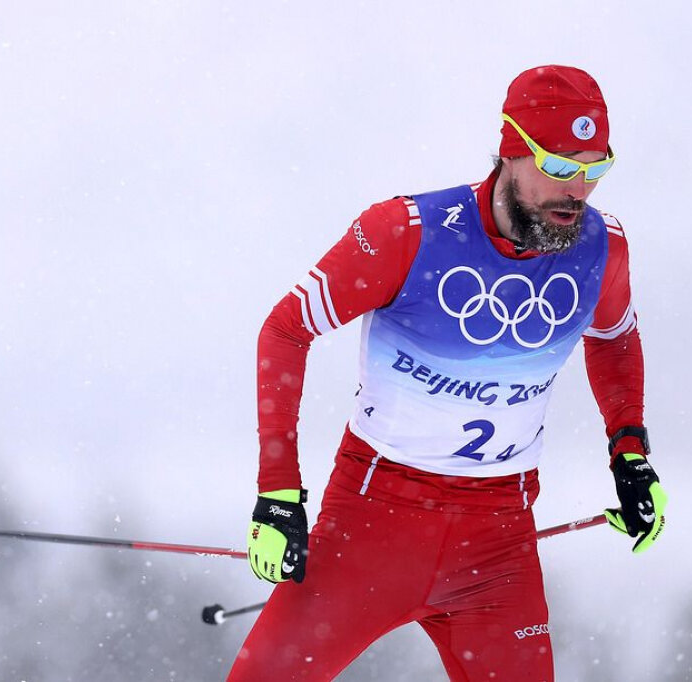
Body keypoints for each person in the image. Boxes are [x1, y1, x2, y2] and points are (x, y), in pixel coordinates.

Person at [227, 65, 667, 682]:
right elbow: (285, 329)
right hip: (373, 520)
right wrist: (277, 491)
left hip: (498, 542)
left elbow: (615, 339)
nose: (580, 190)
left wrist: (629, 452)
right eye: (563, 167)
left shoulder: (602, 248)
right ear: (512, 151)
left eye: (597, 168)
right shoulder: (407, 233)